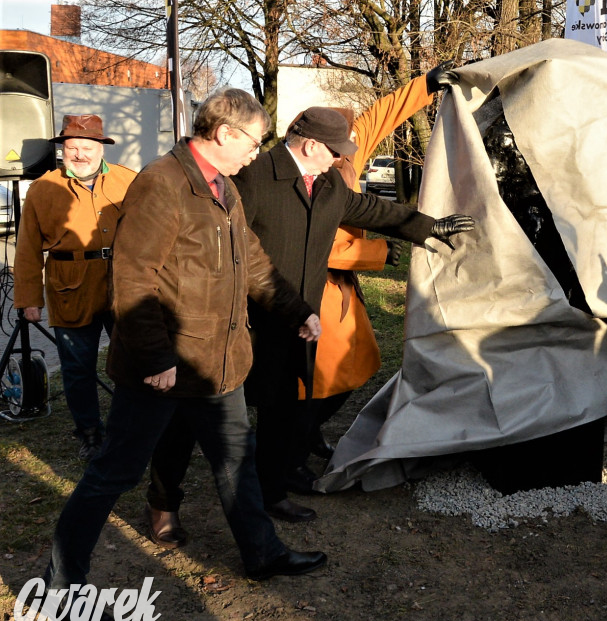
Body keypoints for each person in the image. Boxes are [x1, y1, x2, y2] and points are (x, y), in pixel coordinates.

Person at [41, 88, 328, 621]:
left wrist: (297, 311)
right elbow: (132, 277)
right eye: (253, 140)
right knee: (112, 474)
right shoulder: (162, 183)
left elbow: (255, 263)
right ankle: (61, 588)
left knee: (236, 462)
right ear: (223, 133)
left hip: (217, 363)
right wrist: (154, 356)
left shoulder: (226, 189)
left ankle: (262, 553)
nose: (255, 152)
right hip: (164, 368)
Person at [144, 105, 474, 530]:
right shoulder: (253, 176)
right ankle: (164, 502)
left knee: (281, 412)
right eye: (336, 150)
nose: (341, 159)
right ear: (312, 144)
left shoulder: (329, 182)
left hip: (296, 321)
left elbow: (370, 208)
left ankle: (271, 493)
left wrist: (429, 226)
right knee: (189, 416)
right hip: (236, 322)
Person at [303, 62, 458, 463]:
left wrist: (426, 84)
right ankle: (292, 447)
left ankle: (306, 433)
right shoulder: (304, 176)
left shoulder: (348, 154)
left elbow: (382, 114)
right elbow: (310, 245)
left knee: (357, 364)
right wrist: (376, 254)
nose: (350, 146)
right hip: (314, 289)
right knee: (321, 377)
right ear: (315, 144)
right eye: (341, 143)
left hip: (342, 289)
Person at [13, 115, 135, 459]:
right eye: (72, 148)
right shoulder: (44, 188)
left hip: (123, 285)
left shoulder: (129, 181)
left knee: (132, 362)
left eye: (86, 147)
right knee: (78, 369)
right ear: (62, 150)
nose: (79, 154)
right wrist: (28, 299)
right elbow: (26, 249)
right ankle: (89, 432)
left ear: (101, 149)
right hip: (70, 289)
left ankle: (128, 428)